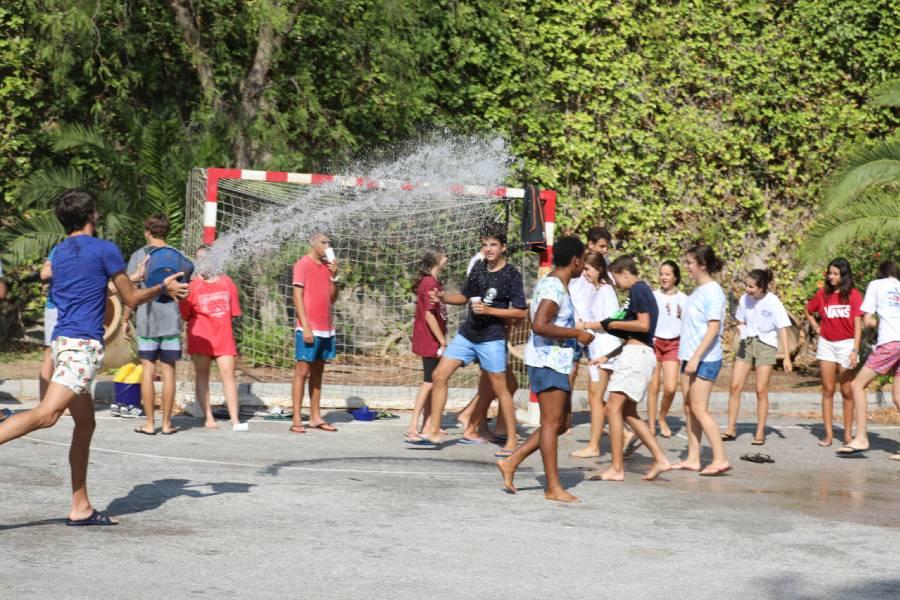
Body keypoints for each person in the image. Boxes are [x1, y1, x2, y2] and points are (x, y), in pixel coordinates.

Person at [0, 189, 188, 525]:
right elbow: (130, 299)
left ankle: (80, 506)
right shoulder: (105, 249)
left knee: (85, 424)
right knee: (46, 415)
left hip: (62, 344)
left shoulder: (59, 253)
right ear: (93, 216)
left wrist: (133, 277)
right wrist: (162, 289)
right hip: (81, 348)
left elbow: (98, 287)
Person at [409, 223, 527, 455]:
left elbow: (521, 312)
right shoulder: (478, 269)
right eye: (485, 245)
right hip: (468, 334)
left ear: (503, 247)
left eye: (493, 245)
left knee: (500, 387)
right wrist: (443, 297)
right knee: (438, 375)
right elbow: (464, 297)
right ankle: (433, 432)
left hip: (492, 337)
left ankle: (512, 441)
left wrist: (491, 311)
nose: (489, 249)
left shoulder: (511, 274)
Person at [496, 237, 594, 502]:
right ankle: (552, 487)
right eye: (583, 260)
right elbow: (539, 324)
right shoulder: (554, 287)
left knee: (561, 423)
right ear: (575, 261)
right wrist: (577, 333)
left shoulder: (554, 284)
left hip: (554, 361)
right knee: (551, 424)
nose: (584, 266)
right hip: (547, 361)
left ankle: (512, 460)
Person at [586, 257, 671, 481]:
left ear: (625, 272)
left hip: (637, 356)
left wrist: (614, 325)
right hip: (636, 353)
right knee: (627, 412)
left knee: (611, 409)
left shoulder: (638, 290)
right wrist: (607, 355)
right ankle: (660, 458)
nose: (616, 284)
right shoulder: (641, 291)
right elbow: (637, 334)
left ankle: (616, 467)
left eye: (616, 278)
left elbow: (643, 325)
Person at [671, 245, 731, 476]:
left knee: (698, 408)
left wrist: (696, 357)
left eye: (689, 263)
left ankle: (720, 458)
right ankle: (693, 458)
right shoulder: (698, 291)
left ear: (702, 265)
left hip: (705, 358)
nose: (686, 267)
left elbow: (714, 327)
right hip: (688, 356)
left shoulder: (714, 292)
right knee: (688, 408)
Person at [179, 245, 248, 432]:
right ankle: (208, 417)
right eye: (200, 259)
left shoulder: (227, 283)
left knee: (229, 375)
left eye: (207, 258)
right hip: (201, 336)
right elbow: (185, 314)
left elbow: (233, 312)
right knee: (203, 375)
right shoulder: (192, 286)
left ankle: (235, 419)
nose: (204, 262)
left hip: (223, 336)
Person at [125, 215, 183, 434]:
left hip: (147, 321)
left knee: (147, 370)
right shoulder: (177, 256)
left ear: (147, 230)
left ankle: (150, 424)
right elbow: (184, 289)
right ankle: (167, 424)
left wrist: (124, 319)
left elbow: (131, 291)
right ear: (167, 232)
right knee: (169, 371)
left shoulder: (139, 255)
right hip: (170, 319)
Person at [722, 269, 793, 446]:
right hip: (747, 343)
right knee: (735, 385)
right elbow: (741, 320)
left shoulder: (773, 302)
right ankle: (730, 428)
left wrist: (786, 356)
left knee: (761, 390)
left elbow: (782, 328)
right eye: (746, 285)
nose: (747, 289)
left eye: (751, 286)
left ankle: (760, 431)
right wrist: (740, 327)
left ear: (761, 287)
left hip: (766, 345)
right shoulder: (744, 299)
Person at [838, 261, 900, 458]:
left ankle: (862, 437)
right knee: (898, 396)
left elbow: (867, 320)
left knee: (857, 384)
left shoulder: (876, 285)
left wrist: (879, 324)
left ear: (880, 273)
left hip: (891, 342)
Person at [569, 251, 621, 458]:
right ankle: (620, 433)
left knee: (596, 397)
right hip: (596, 350)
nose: (585, 274)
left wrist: (585, 325)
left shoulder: (607, 291)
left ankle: (594, 445)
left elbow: (612, 320)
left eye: (588, 270)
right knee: (595, 398)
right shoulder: (597, 290)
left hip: (606, 350)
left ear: (598, 269)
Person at [805, 258, 862, 447]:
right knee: (828, 390)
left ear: (844, 275)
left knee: (847, 391)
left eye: (835, 274)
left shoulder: (853, 295)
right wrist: (816, 326)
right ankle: (828, 435)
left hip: (847, 345)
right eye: (829, 273)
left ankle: (847, 435)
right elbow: (808, 309)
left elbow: (857, 325)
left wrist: (855, 349)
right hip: (827, 345)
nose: (831, 277)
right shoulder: (823, 294)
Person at [290, 232, 340, 434]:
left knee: (318, 372)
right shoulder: (302, 264)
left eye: (329, 243)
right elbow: (297, 296)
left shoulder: (327, 267)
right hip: (308, 327)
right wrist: (306, 326)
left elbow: (332, 298)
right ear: (313, 243)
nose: (327, 246)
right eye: (324, 242)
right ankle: (296, 418)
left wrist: (335, 276)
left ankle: (315, 416)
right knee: (302, 371)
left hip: (326, 328)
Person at [406, 249, 449, 439]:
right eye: (444, 255)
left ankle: (428, 424)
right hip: (430, 340)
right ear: (437, 261)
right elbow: (429, 316)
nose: (447, 258)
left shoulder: (433, 282)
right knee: (429, 382)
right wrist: (442, 340)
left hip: (431, 339)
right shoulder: (430, 283)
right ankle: (413, 427)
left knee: (434, 381)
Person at [647, 260, 687, 438]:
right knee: (654, 386)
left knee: (670, 387)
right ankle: (650, 425)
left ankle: (661, 418)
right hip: (655, 342)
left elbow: (688, 324)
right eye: (661, 273)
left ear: (675, 277)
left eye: (667, 274)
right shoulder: (653, 296)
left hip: (674, 344)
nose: (663, 277)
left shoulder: (684, 299)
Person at [39, 246, 60, 403]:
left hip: (77, 309)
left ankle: (61, 401)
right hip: (56, 308)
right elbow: (44, 273)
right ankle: (44, 401)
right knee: (50, 353)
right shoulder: (60, 249)